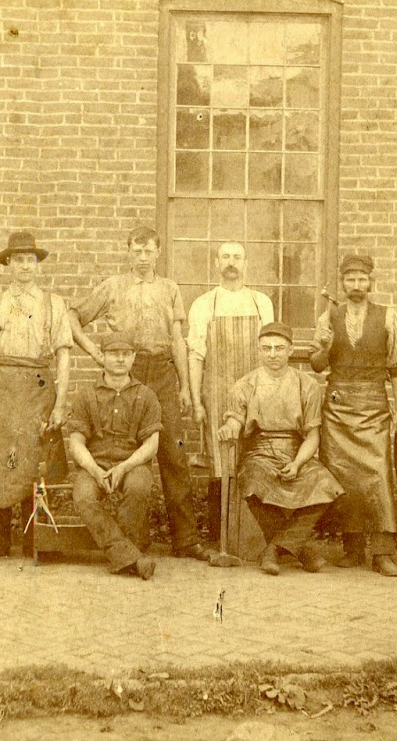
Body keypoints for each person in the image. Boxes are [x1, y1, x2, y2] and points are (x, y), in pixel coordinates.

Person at [70, 226, 206, 560]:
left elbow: (177, 339)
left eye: (149, 251)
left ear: (158, 253)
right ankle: (134, 538)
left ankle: (186, 539)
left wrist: (186, 386)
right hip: (125, 369)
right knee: (125, 447)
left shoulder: (169, 288)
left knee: (173, 455)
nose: (142, 257)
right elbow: (73, 316)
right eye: (137, 250)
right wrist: (95, 353)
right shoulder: (113, 286)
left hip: (161, 372)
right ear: (128, 251)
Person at [0, 231, 73, 560]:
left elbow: (64, 356)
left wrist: (60, 403)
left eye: (30, 260)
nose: (24, 266)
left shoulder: (53, 304)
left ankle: (33, 537)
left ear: (37, 265)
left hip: (38, 387)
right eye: (18, 260)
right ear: (8, 264)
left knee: (34, 456)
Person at [309, 254, 397, 577]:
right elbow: (318, 365)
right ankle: (352, 548)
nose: (356, 286)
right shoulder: (329, 317)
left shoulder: (387, 316)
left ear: (371, 282)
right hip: (337, 403)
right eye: (350, 280)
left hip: (374, 403)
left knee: (378, 474)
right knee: (343, 475)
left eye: (361, 279)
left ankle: (382, 552)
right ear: (343, 283)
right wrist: (324, 346)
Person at [217, 323, 342, 575]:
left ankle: (273, 550)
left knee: (327, 485)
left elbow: (313, 435)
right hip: (259, 451)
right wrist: (229, 428)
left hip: (297, 451)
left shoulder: (306, 385)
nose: (272, 354)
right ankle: (302, 550)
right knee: (252, 481)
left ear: (290, 350)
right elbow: (235, 420)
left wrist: (296, 464)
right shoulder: (245, 385)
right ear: (259, 351)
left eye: (279, 348)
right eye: (266, 348)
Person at [186, 241, 276, 559]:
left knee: (252, 456)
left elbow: (270, 351)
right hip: (218, 392)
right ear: (216, 263)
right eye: (225, 257)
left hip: (253, 392)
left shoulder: (261, 302)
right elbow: (196, 354)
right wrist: (197, 400)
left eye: (237, 257)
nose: (231, 263)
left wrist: (265, 396)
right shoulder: (203, 304)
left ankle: (251, 538)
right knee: (219, 461)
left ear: (246, 263)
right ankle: (218, 539)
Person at [64, 333, 161, 579]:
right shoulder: (86, 395)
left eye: (126, 354)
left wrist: (126, 467)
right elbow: (75, 441)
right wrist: (95, 471)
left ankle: (123, 554)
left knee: (138, 487)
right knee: (84, 496)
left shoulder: (147, 395)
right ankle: (131, 556)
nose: (120, 359)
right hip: (94, 463)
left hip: (132, 463)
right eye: (114, 354)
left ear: (134, 358)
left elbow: (152, 444)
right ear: (102, 357)